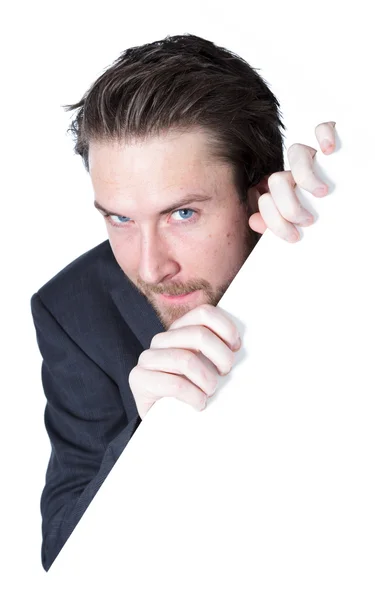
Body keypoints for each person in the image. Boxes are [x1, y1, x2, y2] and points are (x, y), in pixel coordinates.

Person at [30, 33, 337, 571]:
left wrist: (351, 206)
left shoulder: (331, 238)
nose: (150, 268)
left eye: (182, 214)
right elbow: (61, 552)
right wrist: (153, 435)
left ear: (258, 189)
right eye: (120, 219)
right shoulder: (73, 312)